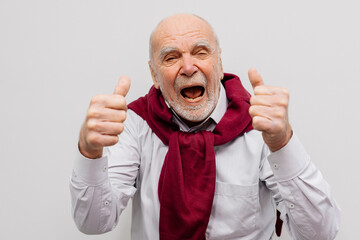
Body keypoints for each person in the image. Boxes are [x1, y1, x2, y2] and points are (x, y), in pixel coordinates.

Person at [70, 14, 341, 239]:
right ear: (154, 75)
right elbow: (94, 223)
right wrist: (89, 151)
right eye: (171, 57)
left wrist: (282, 143)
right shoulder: (136, 124)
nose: (188, 67)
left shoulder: (259, 124)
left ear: (219, 64)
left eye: (200, 52)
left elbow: (321, 233)